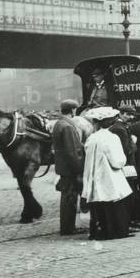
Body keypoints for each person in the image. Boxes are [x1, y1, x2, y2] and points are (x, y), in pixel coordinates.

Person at [82, 108, 133, 240]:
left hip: (94, 178)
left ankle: (98, 231)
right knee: (115, 203)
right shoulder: (111, 138)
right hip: (110, 177)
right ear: (110, 122)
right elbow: (118, 161)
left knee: (98, 205)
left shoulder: (91, 138)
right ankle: (116, 231)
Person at [51, 99, 85, 235]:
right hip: (70, 170)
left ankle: (67, 227)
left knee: (67, 198)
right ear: (73, 110)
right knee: (70, 199)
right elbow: (73, 152)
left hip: (63, 168)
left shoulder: (59, 124)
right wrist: (79, 170)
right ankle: (68, 228)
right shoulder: (68, 127)